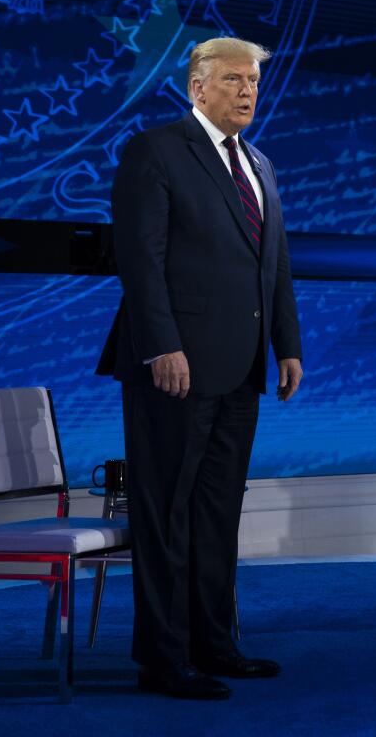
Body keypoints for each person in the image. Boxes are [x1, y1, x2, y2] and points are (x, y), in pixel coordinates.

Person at [97, 37, 303, 699]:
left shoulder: (262, 165)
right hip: (173, 367)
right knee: (166, 515)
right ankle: (164, 659)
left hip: (240, 369)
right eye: (234, 79)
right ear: (198, 88)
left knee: (217, 515)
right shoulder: (157, 152)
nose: (247, 90)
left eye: (253, 81)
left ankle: (215, 643)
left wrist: (287, 345)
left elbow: (273, 267)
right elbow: (141, 259)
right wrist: (162, 345)